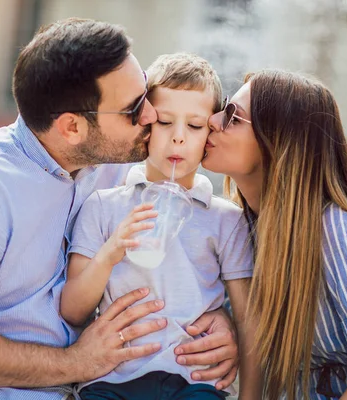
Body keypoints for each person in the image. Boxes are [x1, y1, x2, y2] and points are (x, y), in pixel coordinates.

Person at [0, 19, 238, 400]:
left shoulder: (116, 164)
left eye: (146, 95)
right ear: (72, 128)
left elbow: (191, 249)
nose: (149, 118)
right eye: (133, 109)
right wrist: (76, 363)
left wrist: (218, 318)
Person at [202, 69, 347, 399]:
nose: (212, 120)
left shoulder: (336, 231)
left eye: (233, 116)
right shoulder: (238, 226)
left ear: (278, 142)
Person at [61, 53, 261, 400]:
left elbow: (248, 321)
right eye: (166, 122)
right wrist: (111, 252)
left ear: (210, 133)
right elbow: (73, 310)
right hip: (111, 380)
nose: (178, 138)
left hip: (193, 380)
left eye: (195, 126)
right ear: (146, 124)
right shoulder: (104, 206)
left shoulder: (224, 219)